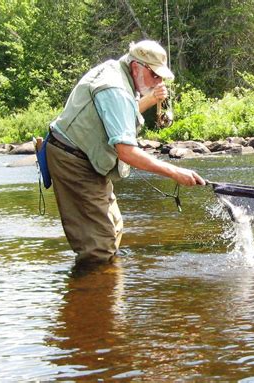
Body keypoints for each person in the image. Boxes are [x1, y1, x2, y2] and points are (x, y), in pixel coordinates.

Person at [46, 40, 205, 265]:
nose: (158, 82)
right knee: (99, 246)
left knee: (113, 226)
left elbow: (119, 114)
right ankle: (93, 294)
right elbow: (126, 152)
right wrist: (175, 172)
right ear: (137, 67)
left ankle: (106, 292)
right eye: (155, 75)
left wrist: (149, 99)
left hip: (87, 157)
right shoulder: (115, 87)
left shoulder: (119, 72)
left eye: (161, 77)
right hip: (72, 159)